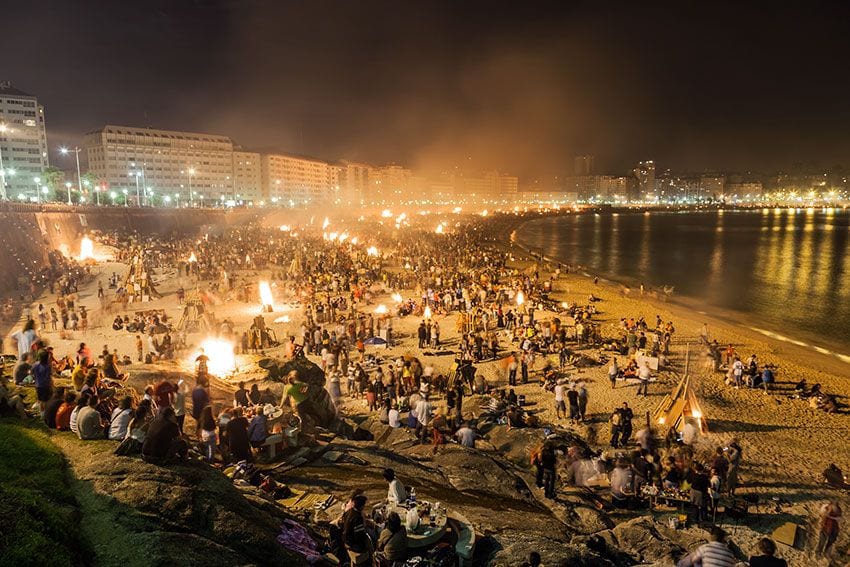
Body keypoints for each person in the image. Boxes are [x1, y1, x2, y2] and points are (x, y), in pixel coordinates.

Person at [342, 494, 372, 565]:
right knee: (370, 543)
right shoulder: (357, 517)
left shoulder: (348, 512)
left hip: (346, 539)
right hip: (351, 543)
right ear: (361, 506)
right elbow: (359, 536)